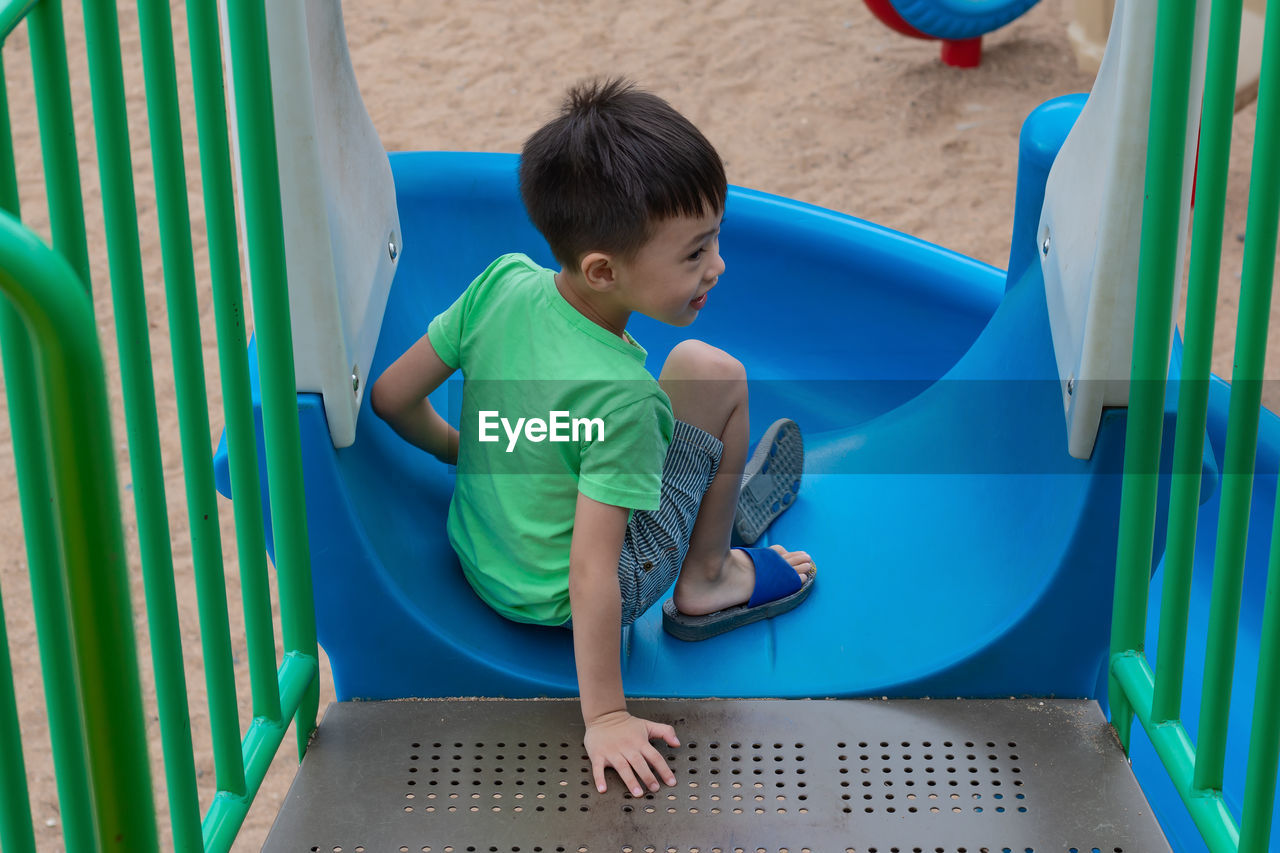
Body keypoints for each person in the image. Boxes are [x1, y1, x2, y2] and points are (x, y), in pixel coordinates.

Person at [371, 77, 815, 802]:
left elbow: (392, 396)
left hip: (484, 557)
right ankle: (709, 575)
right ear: (605, 271)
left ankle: (712, 509)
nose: (717, 266)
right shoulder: (621, 399)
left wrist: (473, 448)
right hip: (560, 596)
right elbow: (591, 570)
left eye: (716, 239)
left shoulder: (502, 283)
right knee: (713, 374)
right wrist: (604, 715)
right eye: (695, 253)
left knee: (676, 388)